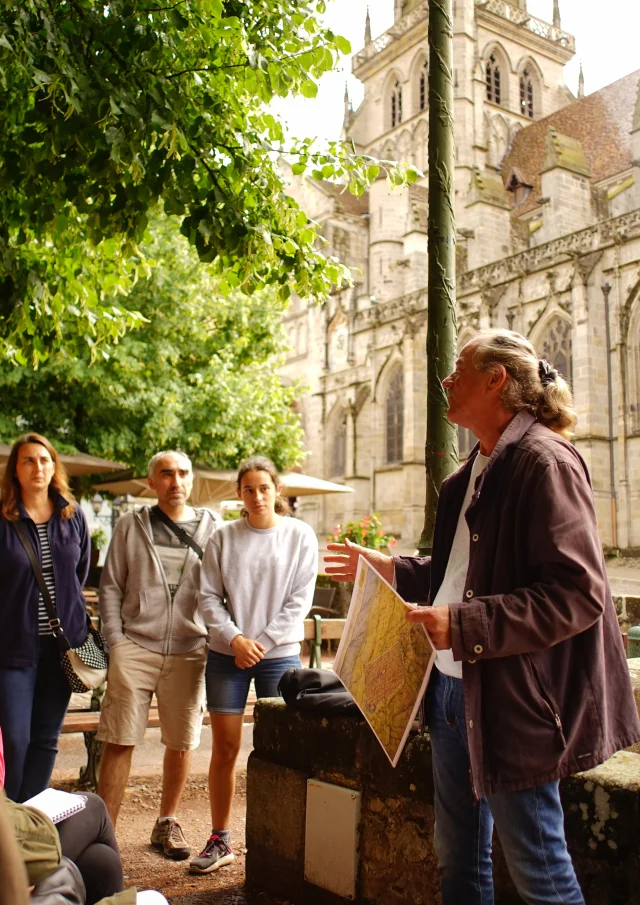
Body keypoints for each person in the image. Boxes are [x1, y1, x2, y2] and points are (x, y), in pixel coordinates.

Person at [325, 329, 640, 905]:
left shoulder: (545, 460)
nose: (446, 380)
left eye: (459, 370)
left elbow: (578, 593)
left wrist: (464, 625)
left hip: (510, 697)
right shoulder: (474, 468)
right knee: (459, 862)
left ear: (496, 380)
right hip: (450, 691)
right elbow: (461, 576)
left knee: (539, 870)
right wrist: (390, 567)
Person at [192, 456, 318, 875]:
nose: (258, 496)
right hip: (228, 655)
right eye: (249, 489)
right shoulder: (223, 538)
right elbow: (207, 597)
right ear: (239, 494)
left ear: (276, 490)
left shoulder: (299, 535)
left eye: (265, 488)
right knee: (225, 748)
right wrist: (236, 639)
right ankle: (220, 838)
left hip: (277, 654)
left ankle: (281, 840)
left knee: (281, 746)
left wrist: (259, 644)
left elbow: (299, 601)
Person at [97, 450, 222, 860]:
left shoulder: (212, 528)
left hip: (189, 649)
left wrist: (210, 636)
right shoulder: (131, 526)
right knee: (119, 739)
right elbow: (111, 585)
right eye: (166, 474)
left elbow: (225, 587)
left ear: (191, 479)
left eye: (183, 473)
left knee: (181, 743)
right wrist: (116, 641)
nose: (175, 481)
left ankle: (167, 822)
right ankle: (104, 836)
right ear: (152, 482)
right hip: (134, 646)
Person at [0, 434, 90, 803]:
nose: (37, 468)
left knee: (46, 738)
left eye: (44, 460)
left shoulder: (72, 514)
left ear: (54, 467)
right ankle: (9, 814)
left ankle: (32, 817)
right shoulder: (4, 517)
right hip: (13, 647)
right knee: (16, 739)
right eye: (28, 461)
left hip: (62, 648)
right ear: (15, 470)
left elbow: (79, 572)